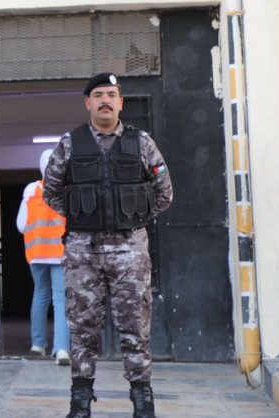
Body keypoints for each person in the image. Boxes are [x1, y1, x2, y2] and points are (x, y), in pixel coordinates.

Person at [42, 73, 173, 418]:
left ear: (120, 102)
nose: (105, 100)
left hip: (130, 252)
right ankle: (80, 405)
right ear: (87, 102)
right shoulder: (69, 144)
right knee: (82, 331)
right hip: (82, 253)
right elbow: (50, 192)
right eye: (98, 95)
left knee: (136, 331)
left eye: (111, 95)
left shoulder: (141, 143)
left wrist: (133, 217)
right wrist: (84, 215)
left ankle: (143, 405)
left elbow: (164, 193)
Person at [15, 148, 70, 365]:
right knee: (60, 300)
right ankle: (62, 349)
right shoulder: (67, 190)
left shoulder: (31, 190)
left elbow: (21, 225)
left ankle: (38, 344)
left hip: (36, 253)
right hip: (60, 254)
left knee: (40, 295)